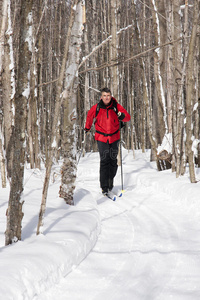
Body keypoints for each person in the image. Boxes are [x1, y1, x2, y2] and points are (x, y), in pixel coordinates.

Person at [84, 87, 131, 195]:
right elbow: (89, 116)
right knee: (105, 161)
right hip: (101, 137)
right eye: (104, 96)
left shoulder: (116, 106)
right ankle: (104, 187)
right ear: (101, 97)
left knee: (113, 161)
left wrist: (122, 116)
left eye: (108, 96)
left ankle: (110, 183)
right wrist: (87, 128)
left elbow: (127, 117)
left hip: (114, 137)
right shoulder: (97, 107)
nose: (106, 98)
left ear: (111, 96)